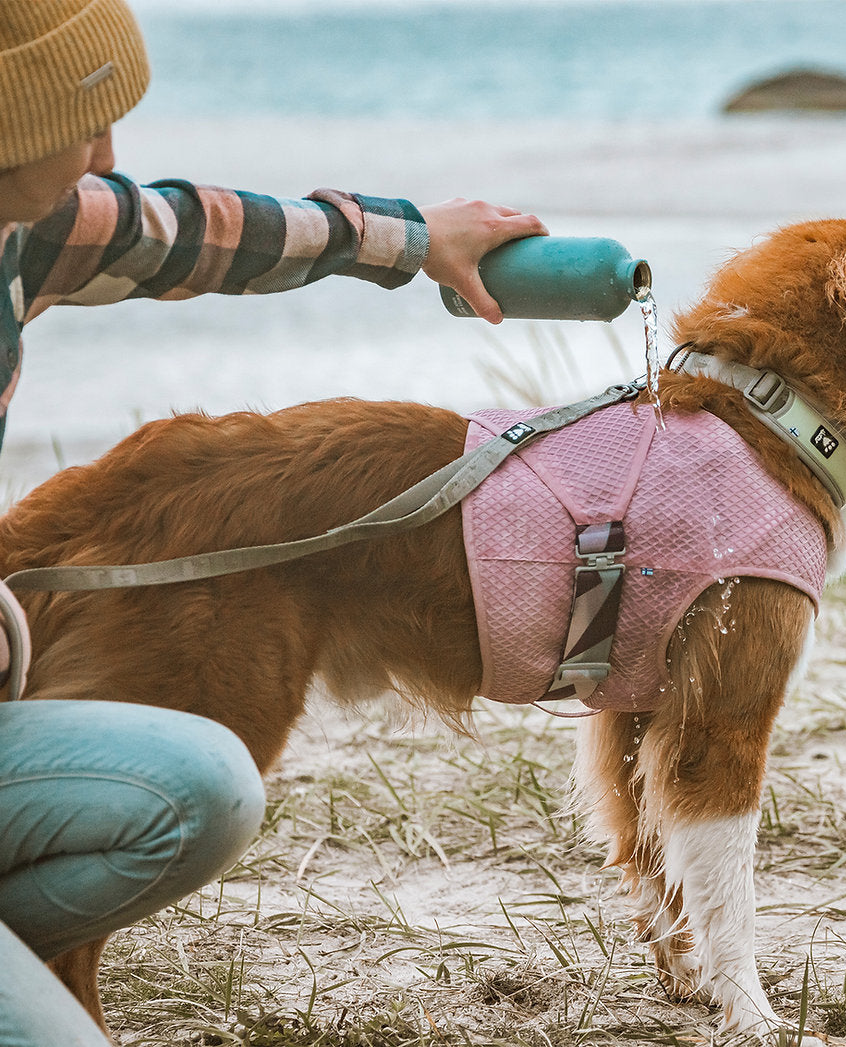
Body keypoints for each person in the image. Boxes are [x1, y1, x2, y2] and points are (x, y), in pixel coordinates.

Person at [0, 2, 546, 1044]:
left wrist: (417, 238)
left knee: (207, 785)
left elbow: (203, 233)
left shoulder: (34, 229)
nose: (109, 155)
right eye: (83, 126)